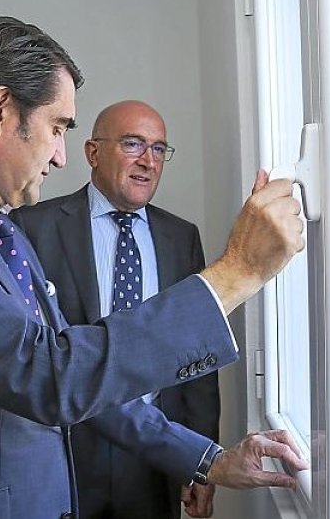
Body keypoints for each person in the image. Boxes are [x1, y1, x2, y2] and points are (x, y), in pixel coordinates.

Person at [0, 16, 307, 519]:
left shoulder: (4, 234)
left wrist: (209, 460)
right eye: (57, 128)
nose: (59, 158)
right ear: (2, 110)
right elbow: (48, 376)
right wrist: (237, 272)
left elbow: (81, 379)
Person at [11, 100, 221, 519]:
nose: (148, 161)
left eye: (159, 149)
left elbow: (199, 359)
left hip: (156, 452)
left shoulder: (181, 238)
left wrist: (201, 462)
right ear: (92, 152)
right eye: (133, 144)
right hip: (66, 445)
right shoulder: (32, 226)